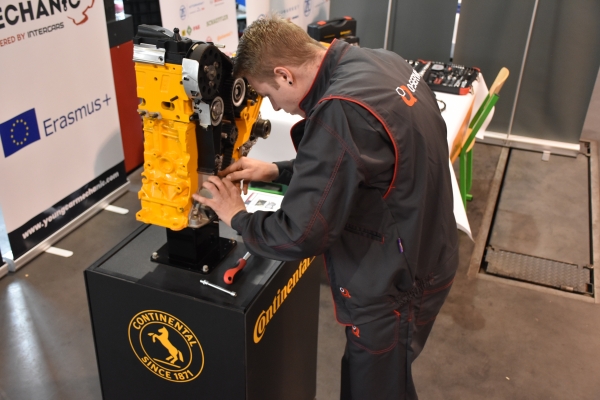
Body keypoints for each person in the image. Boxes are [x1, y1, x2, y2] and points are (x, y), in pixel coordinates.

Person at [193, 16, 459, 400]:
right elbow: (362, 160)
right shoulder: (380, 61)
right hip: (429, 249)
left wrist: (238, 216)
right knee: (379, 378)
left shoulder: (340, 109)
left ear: (284, 75)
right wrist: (276, 170)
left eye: (267, 95)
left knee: (375, 390)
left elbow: (300, 233)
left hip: (395, 284)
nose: (276, 107)